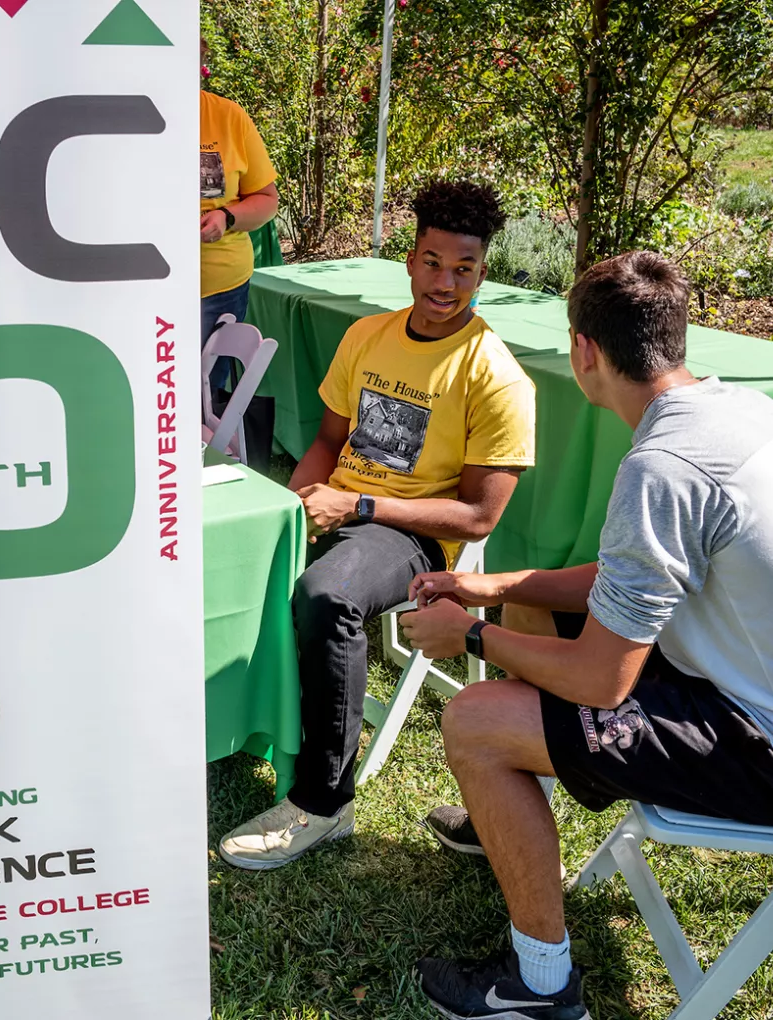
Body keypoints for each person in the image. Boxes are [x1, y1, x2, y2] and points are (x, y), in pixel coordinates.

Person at [399, 251, 773, 1020]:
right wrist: (496, 588)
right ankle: (508, 823)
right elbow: (633, 580)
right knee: (532, 610)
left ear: (585, 352)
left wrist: (471, 636)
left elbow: (599, 681)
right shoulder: (737, 411)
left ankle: (541, 989)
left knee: (473, 722)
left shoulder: (664, 464)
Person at [217, 179, 536, 870]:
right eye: (432, 262)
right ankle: (234, 728)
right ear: (410, 256)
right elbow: (331, 440)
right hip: (340, 504)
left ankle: (324, 804)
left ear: (484, 272)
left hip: (415, 534)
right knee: (230, 552)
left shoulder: (497, 377)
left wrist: (357, 507)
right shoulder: (368, 335)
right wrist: (297, 504)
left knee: (328, 595)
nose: (445, 282)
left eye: (464, 269)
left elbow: (480, 515)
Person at [200, 38, 279, 465]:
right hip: (140, 285)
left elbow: (266, 199)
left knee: (202, 396)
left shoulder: (227, 117)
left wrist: (226, 217)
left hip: (216, 288)